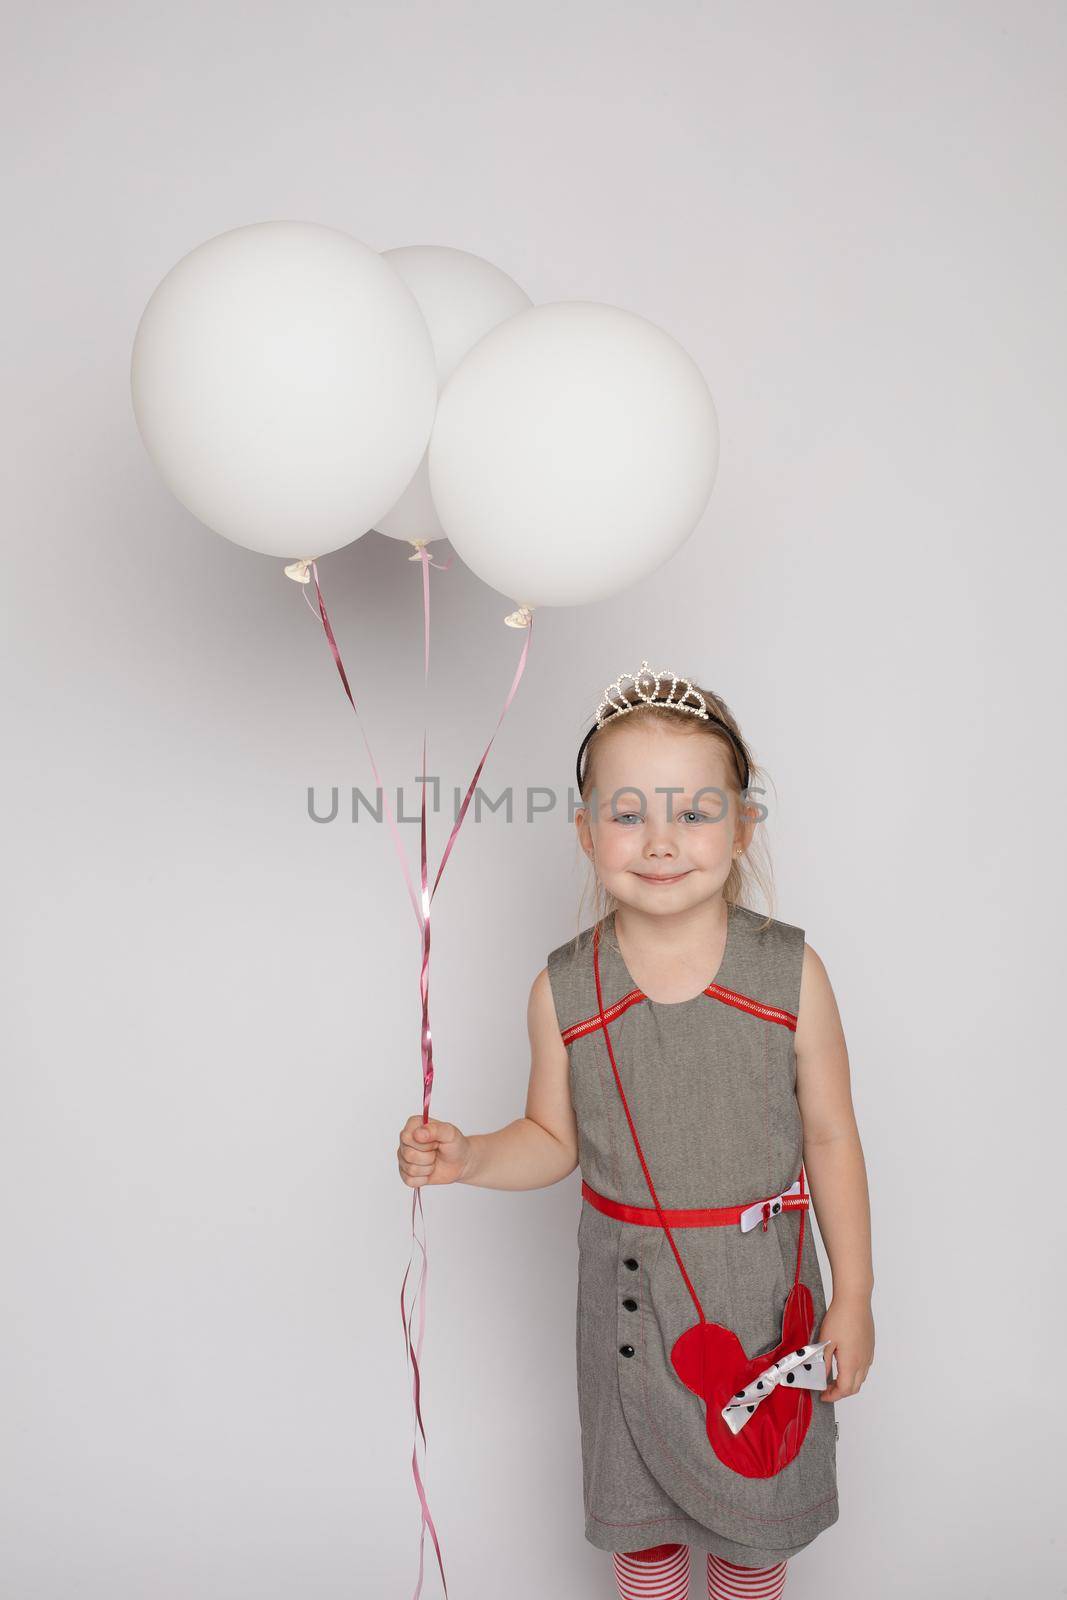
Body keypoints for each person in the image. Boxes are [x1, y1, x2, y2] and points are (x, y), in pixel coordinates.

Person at [397, 663, 875, 1599]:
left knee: (750, 1525)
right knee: (643, 1532)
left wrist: (852, 1295)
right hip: (626, 1309)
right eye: (626, 815)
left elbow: (830, 1138)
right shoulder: (564, 990)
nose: (660, 842)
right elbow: (552, 1136)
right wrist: (472, 1156)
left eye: (694, 814)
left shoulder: (790, 975)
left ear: (742, 828)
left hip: (756, 1296)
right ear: (584, 833)